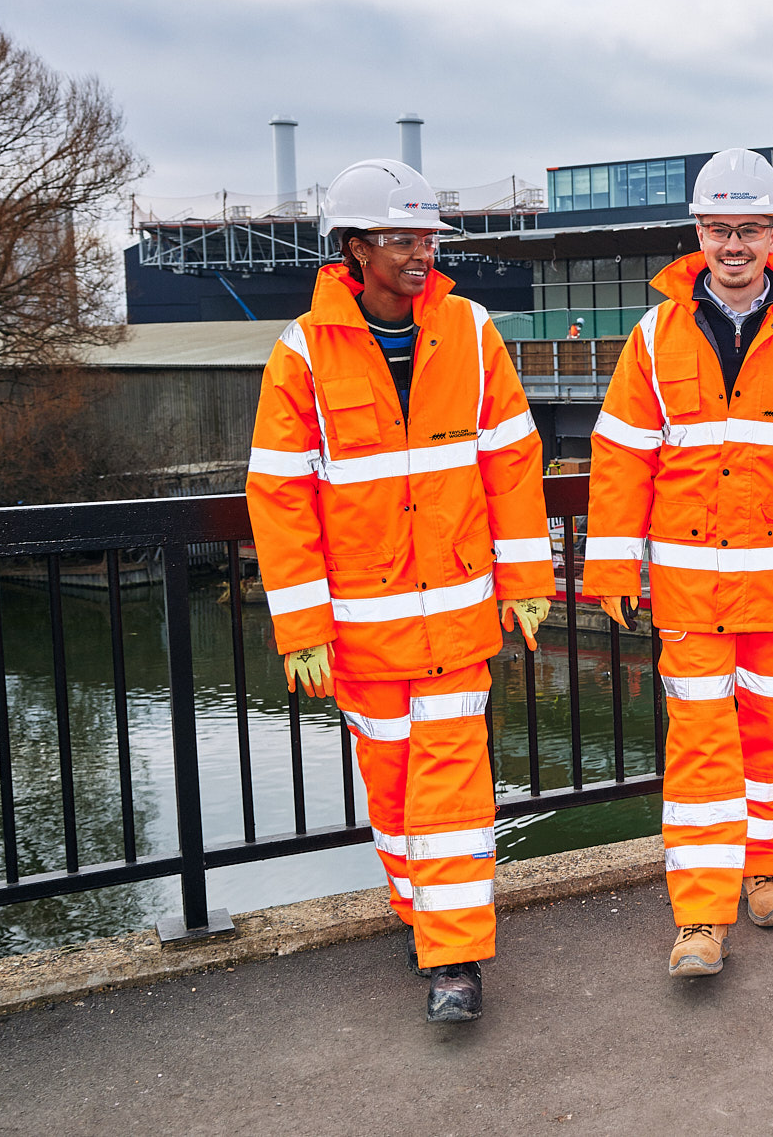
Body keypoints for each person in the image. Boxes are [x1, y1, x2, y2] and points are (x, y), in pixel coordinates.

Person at [247, 157, 553, 1022]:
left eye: (428, 238)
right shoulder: (303, 354)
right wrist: (301, 626)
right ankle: (421, 916)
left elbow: (511, 462)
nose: (423, 253)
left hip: (456, 617)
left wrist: (528, 578)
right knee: (390, 789)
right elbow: (280, 493)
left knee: (453, 791)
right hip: (363, 630)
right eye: (404, 239)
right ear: (355, 249)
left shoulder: (470, 330)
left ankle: (455, 959)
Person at [583, 148, 773, 977]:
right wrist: (610, 570)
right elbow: (621, 455)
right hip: (689, 588)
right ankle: (700, 916)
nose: (733, 244)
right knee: (702, 748)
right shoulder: (654, 335)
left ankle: (766, 863)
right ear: (698, 232)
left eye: (748, 228)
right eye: (718, 229)